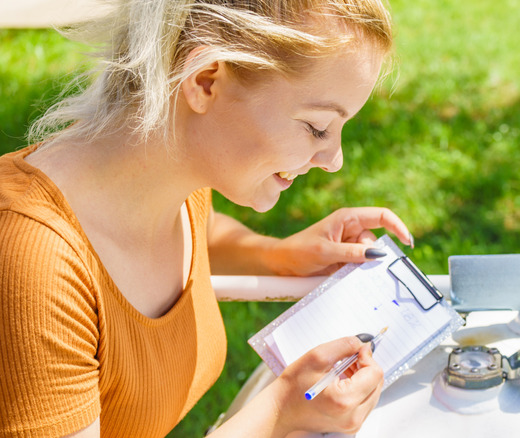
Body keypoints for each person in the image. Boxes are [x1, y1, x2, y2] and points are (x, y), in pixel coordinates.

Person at [0, 0, 413, 436]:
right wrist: (278, 413)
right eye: (316, 127)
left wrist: (276, 256)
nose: (334, 160)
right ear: (205, 81)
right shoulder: (32, 264)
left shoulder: (172, 172)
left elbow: (200, 232)